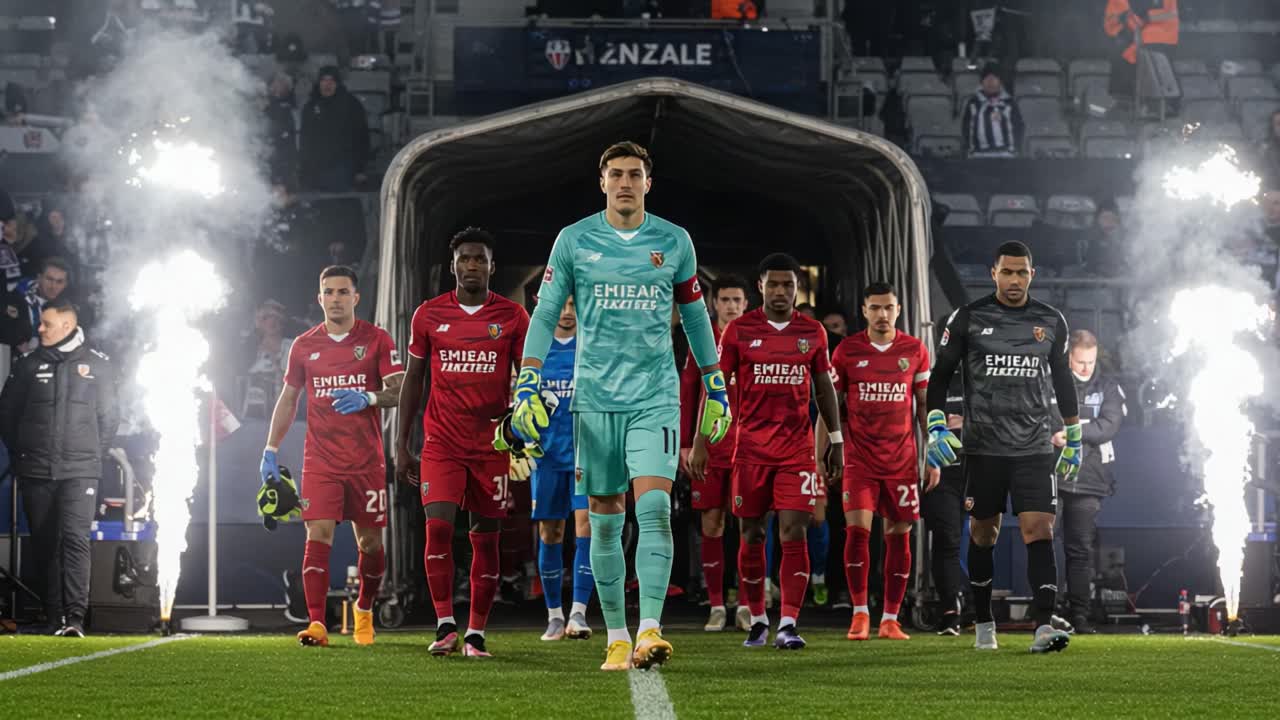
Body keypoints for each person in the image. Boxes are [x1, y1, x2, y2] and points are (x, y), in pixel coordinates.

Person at [511, 141, 730, 671]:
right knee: (605, 521)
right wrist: (528, 378)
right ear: (602, 182)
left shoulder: (674, 241)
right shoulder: (574, 239)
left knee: (654, 509)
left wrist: (715, 382)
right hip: (594, 401)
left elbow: (695, 317)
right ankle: (615, 636)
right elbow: (545, 314)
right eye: (616, 174)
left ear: (648, 183)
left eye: (634, 174)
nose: (625, 182)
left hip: (654, 398)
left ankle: (650, 628)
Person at [925, 240, 1081, 654]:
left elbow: (1063, 379)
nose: (1015, 279)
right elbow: (940, 375)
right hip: (984, 448)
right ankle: (983, 622)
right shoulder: (968, 318)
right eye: (1007, 272)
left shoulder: (1051, 321)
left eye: (1022, 272)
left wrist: (1074, 435)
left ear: (1033, 275)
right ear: (993, 273)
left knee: (1040, 528)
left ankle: (1043, 625)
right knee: (983, 533)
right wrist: (935, 425)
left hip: (1034, 447)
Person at [694, 252, 844, 651]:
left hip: (796, 452)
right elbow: (715, 387)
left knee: (795, 530)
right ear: (760, 286)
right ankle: (758, 618)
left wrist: (836, 440)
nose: (780, 291)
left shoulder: (812, 332)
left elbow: (824, 388)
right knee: (752, 533)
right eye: (773, 284)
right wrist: (701, 442)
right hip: (750, 451)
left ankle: (789, 623)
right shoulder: (739, 331)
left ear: (798, 288)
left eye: (788, 284)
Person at [394, 227, 529, 659]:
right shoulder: (428, 315)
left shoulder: (513, 316)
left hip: (491, 446)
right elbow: (414, 379)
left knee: (485, 539)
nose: (472, 265)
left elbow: (528, 379)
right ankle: (445, 626)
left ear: (492, 266)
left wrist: (522, 428)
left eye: (479, 259)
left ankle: (476, 634)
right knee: (437, 527)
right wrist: (401, 442)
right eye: (464, 259)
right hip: (442, 442)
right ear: (452, 266)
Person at [259, 265, 405, 648]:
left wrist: (369, 397)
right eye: (329, 292)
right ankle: (317, 624)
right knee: (317, 533)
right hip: (321, 461)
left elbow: (400, 389)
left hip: (366, 461)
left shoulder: (376, 339)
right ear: (319, 298)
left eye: (343, 292)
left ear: (356, 297)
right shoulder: (303, 345)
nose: (335, 298)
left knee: (370, 544)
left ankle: (365, 608)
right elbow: (289, 398)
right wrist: (270, 448)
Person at [0, 297, 119, 636]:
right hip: (36, 470)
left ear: (67, 325)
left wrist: (91, 455)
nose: (39, 329)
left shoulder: (99, 366)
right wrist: (24, 454)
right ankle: (54, 618)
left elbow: (109, 419)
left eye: (46, 324)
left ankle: (76, 619)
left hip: (81, 472)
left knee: (75, 540)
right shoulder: (26, 365)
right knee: (44, 543)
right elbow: (6, 415)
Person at [824, 282, 934, 642]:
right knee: (857, 532)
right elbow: (830, 407)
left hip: (902, 461)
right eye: (875, 308)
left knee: (899, 536)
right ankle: (859, 614)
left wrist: (932, 455)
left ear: (898, 310)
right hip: (859, 459)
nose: (882, 314)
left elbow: (923, 407)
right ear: (864, 310)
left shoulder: (915, 350)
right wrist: (821, 454)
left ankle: (890, 618)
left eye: (888, 307)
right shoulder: (847, 350)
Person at [678, 274, 748, 632]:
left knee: (751, 526)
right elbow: (689, 390)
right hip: (711, 447)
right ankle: (717, 605)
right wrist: (686, 443)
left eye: (737, 300)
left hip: (749, 447)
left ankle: (749, 604)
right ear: (714, 304)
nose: (731, 306)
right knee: (712, 522)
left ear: (746, 304)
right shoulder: (701, 340)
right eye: (725, 300)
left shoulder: (755, 338)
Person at [1052, 330, 1126, 634]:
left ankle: (1079, 616)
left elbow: (1109, 426)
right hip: (1052, 476)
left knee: (1080, 550)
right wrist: (1078, 430)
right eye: (1080, 361)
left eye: (1091, 362)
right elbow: (1040, 419)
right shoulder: (1051, 382)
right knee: (1042, 544)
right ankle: (1046, 611)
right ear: (1069, 356)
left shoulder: (1108, 386)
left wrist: (1071, 432)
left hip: (1090, 481)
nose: (1086, 368)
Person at [532, 297, 596, 642]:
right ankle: (554, 615)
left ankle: (578, 613)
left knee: (587, 527)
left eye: (574, 305)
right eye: (562, 305)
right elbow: (519, 403)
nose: (568, 312)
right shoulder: (534, 349)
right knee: (550, 533)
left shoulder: (592, 346)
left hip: (586, 456)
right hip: (546, 458)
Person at [299, 66, 370, 192]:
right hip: (316, 167)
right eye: (324, 80)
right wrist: (304, 167)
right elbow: (305, 140)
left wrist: (360, 168)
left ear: (337, 83)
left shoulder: (352, 104)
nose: (327, 84)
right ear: (319, 83)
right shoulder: (310, 106)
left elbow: (362, 137)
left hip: (344, 166)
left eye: (331, 80)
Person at [1, 257, 71, 354]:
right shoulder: (14, 295)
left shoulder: (66, 309)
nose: (53, 286)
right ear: (39, 278)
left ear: (65, 284)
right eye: (49, 279)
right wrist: (17, 341)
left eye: (59, 282)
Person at [961, 64, 1024, 159]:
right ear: (981, 82)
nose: (990, 82)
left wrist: (1014, 151)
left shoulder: (1009, 104)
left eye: (994, 78)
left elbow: (1018, 128)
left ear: (1000, 81)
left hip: (1006, 156)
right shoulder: (973, 104)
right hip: (978, 156)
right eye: (987, 78)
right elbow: (966, 130)